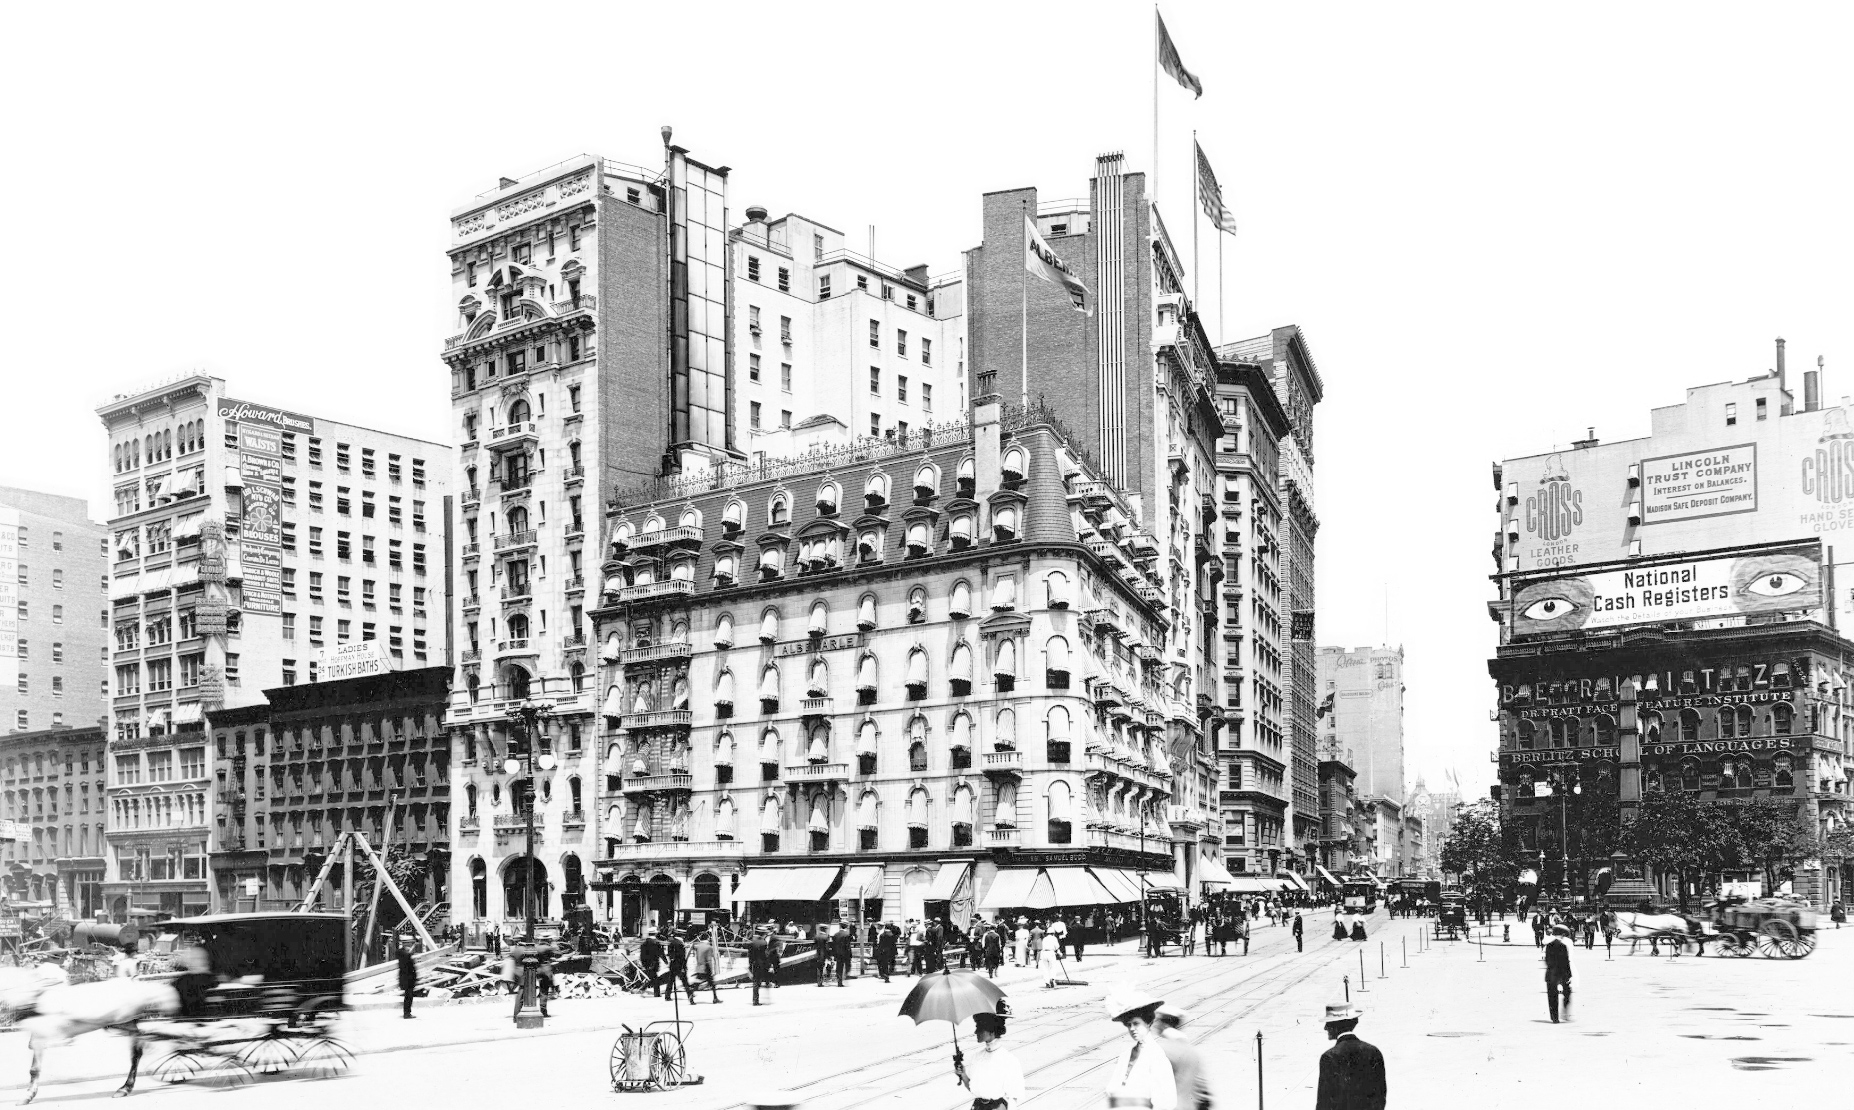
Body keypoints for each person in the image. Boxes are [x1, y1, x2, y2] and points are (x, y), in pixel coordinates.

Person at [1103, 991, 1177, 1110]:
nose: (1132, 1029)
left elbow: (1167, 1102)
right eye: (1128, 1025)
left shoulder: (1157, 1057)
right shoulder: (1125, 1056)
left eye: (1136, 1023)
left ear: (1148, 1023)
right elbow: (1112, 1090)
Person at [1316, 1003, 1386, 1110]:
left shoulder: (1329, 1057)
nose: (1325, 1028)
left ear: (1336, 1027)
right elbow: (1380, 1094)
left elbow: (1324, 1101)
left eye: (1328, 1024)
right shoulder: (1373, 1051)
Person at [955, 1008, 1025, 1110]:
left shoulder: (1008, 1060)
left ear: (992, 1031)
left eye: (979, 1028)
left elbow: (1013, 1097)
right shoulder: (977, 1057)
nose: (975, 1032)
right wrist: (963, 1074)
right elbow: (974, 1089)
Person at [1154, 1005, 1210, 1110]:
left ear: (1165, 1024)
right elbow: (1202, 1090)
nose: (1156, 1025)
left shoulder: (1162, 1050)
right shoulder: (1191, 1050)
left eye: (1158, 1021)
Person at [1544, 924, 1573, 1023]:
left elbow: (1547, 960)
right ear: (1562, 935)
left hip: (1551, 973)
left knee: (1552, 996)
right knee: (1567, 992)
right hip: (1562, 973)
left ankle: (1554, 1017)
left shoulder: (1549, 945)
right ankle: (1565, 1011)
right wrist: (1569, 974)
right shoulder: (1563, 946)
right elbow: (1566, 962)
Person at [665, 931, 698, 1004]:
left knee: (670, 981)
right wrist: (684, 967)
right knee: (685, 982)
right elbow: (683, 958)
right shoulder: (680, 944)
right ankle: (690, 998)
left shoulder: (671, 943)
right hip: (680, 966)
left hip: (673, 966)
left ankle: (667, 996)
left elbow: (670, 955)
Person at [692, 931, 722, 1002]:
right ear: (707, 938)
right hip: (706, 967)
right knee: (712, 983)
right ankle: (715, 998)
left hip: (699, 967)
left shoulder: (698, 947)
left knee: (698, 983)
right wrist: (711, 969)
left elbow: (697, 957)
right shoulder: (708, 947)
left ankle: (691, 994)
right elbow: (709, 960)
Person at [748, 927, 772, 1006]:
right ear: (763, 934)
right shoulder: (764, 942)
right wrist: (768, 965)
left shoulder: (752, 942)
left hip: (754, 964)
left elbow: (750, 955)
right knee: (759, 981)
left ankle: (755, 1000)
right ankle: (757, 1000)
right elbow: (765, 955)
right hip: (762, 964)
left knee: (755, 982)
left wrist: (750, 965)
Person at [640, 929, 665, 997]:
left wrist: (643, 963)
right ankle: (645, 989)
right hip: (654, 963)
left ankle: (654, 992)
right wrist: (666, 961)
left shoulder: (644, 943)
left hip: (647, 963)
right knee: (655, 978)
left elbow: (642, 955)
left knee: (653, 977)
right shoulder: (656, 943)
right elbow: (661, 953)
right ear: (655, 934)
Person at [398, 944, 419, 1019]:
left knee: (408, 997)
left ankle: (407, 1012)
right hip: (408, 980)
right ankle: (407, 1013)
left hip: (407, 980)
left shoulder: (403, 956)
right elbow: (409, 967)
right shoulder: (405, 957)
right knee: (408, 997)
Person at [832, 921, 854, 987]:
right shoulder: (847, 934)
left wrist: (834, 954)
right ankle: (846, 975)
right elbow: (848, 945)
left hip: (838, 954)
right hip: (846, 953)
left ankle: (839, 981)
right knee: (848, 965)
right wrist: (850, 954)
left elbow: (833, 945)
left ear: (840, 926)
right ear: (846, 926)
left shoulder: (836, 934)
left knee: (839, 967)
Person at [767, 925, 786, 990]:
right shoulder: (770, 937)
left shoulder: (773, 937)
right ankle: (772, 982)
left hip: (774, 956)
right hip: (771, 956)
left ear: (771, 930)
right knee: (772, 970)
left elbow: (779, 945)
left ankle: (776, 983)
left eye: (769, 930)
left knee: (775, 970)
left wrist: (779, 953)